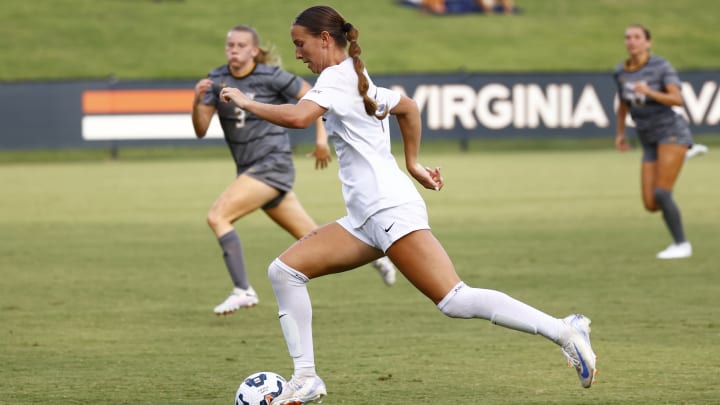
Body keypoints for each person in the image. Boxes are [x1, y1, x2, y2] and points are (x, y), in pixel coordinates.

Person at [220, 6, 598, 403]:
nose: (298, 53)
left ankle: (565, 329)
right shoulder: (355, 74)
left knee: (455, 299)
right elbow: (408, 107)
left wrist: (247, 102)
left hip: (387, 210)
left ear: (325, 39)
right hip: (366, 217)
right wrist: (413, 163)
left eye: (301, 44)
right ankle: (306, 379)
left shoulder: (336, 78)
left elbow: (300, 118)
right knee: (284, 272)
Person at [192, 24, 397, 316]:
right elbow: (200, 130)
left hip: (272, 164)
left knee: (218, 216)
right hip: (249, 171)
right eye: (229, 46)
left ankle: (243, 290)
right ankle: (377, 253)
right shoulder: (215, 80)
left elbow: (313, 98)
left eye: (240, 46)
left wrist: (321, 138)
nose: (233, 50)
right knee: (313, 238)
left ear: (253, 50)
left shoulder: (271, 76)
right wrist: (196, 100)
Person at [613, 24, 702, 259]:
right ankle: (683, 155)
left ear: (648, 42)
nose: (631, 41)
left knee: (663, 193)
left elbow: (677, 99)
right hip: (648, 139)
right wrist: (620, 133)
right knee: (651, 203)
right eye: (628, 37)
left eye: (637, 37)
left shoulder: (660, 66)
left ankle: (682, 244)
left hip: (671, 133)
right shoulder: (621, 71)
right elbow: (623, 104)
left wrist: (650, 91)